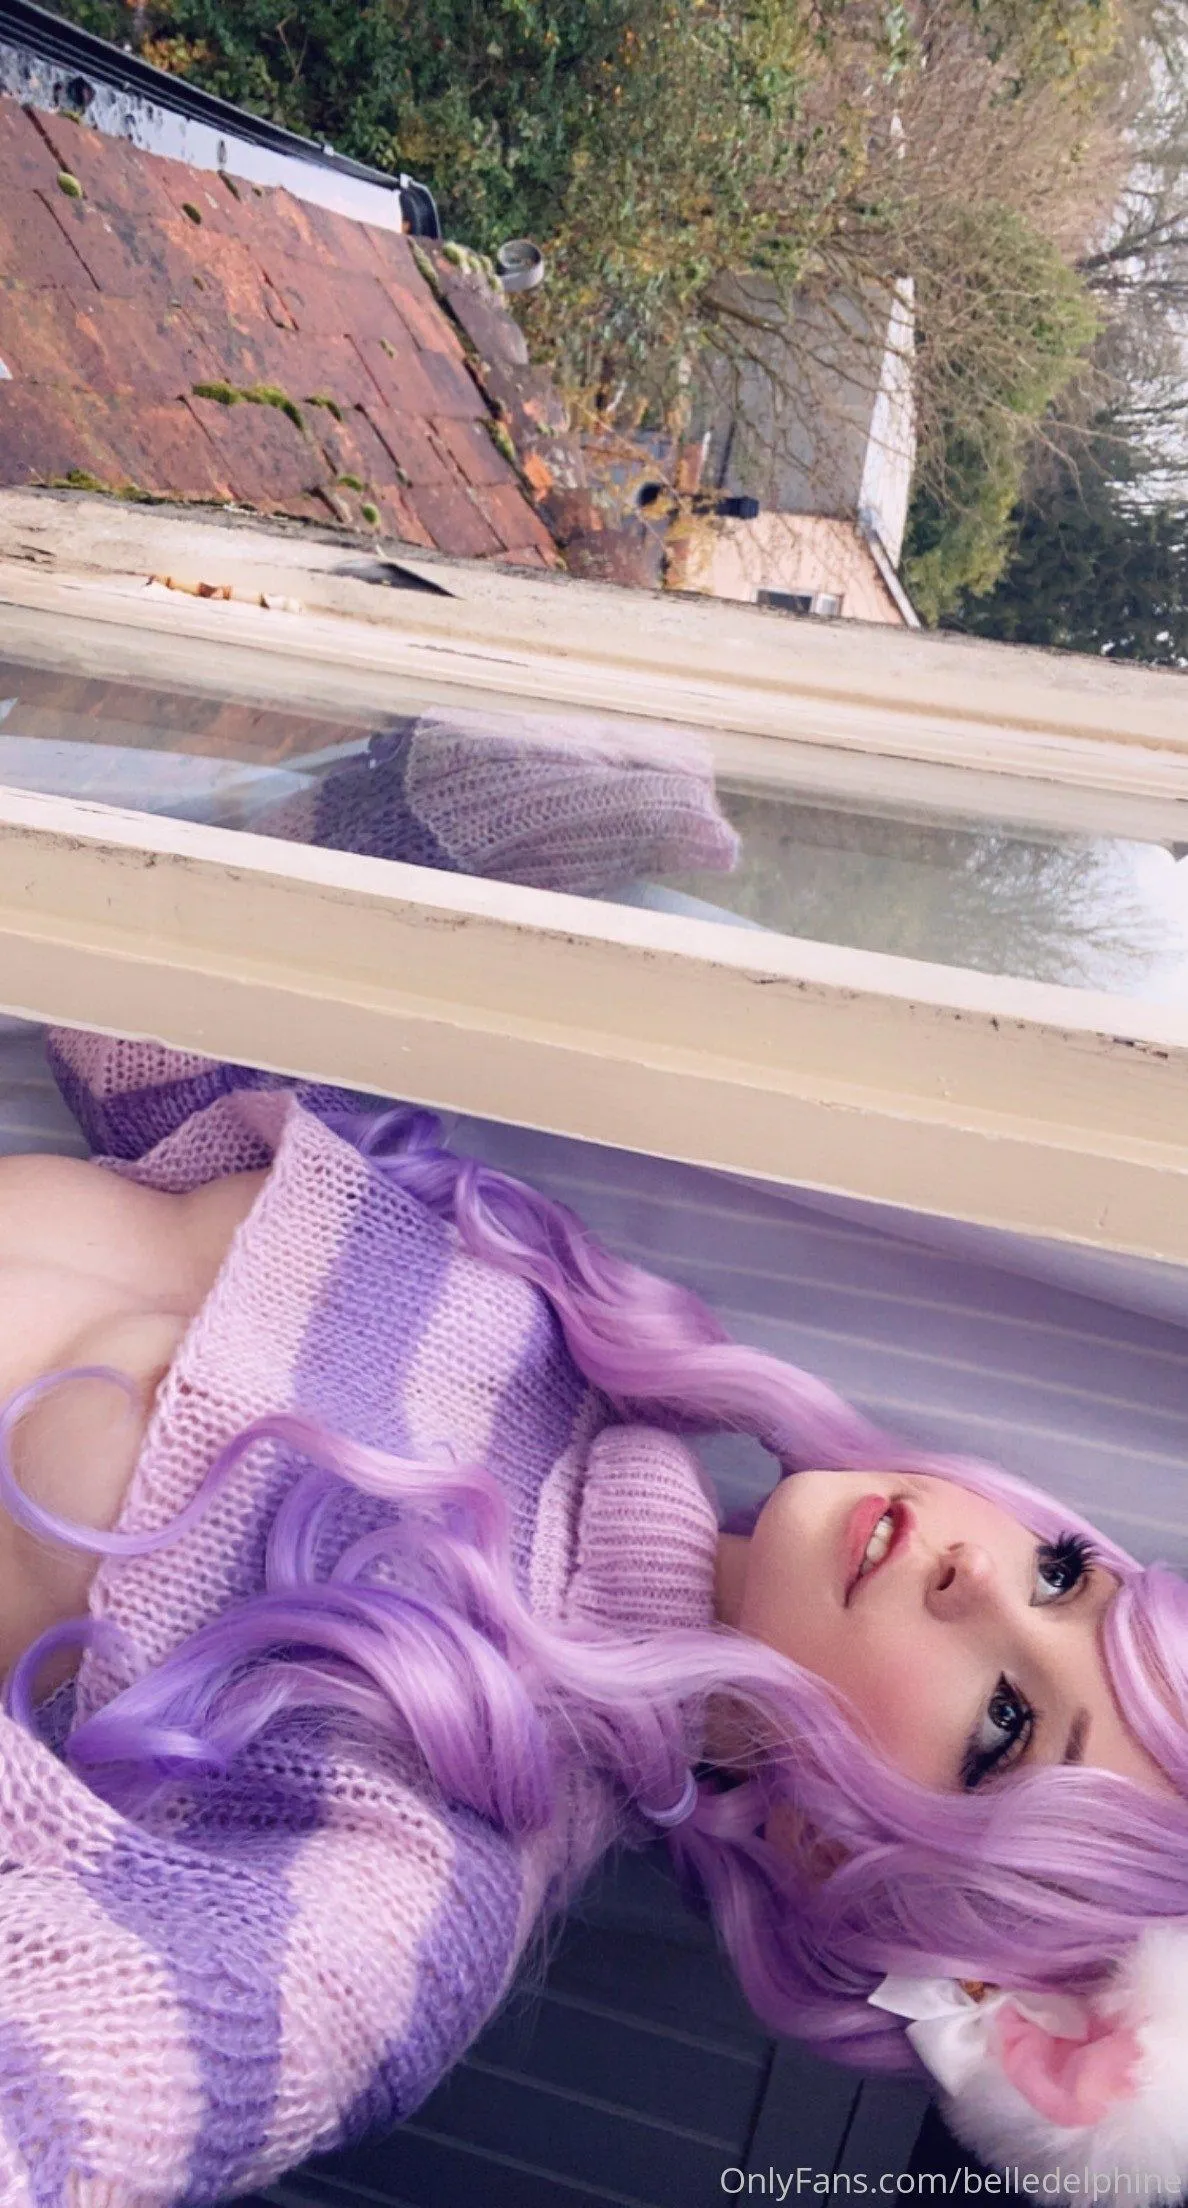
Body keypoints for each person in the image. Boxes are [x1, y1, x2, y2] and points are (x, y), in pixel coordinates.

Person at [0, 735, 1185, 2207]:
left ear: (836, 1856)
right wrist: (487, 797)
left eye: (1005, 1722)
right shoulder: (559, 1329)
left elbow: (88, 2090)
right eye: (1065, 1575)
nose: (980, 1577)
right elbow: (157, 1055)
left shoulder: (444, 1847)